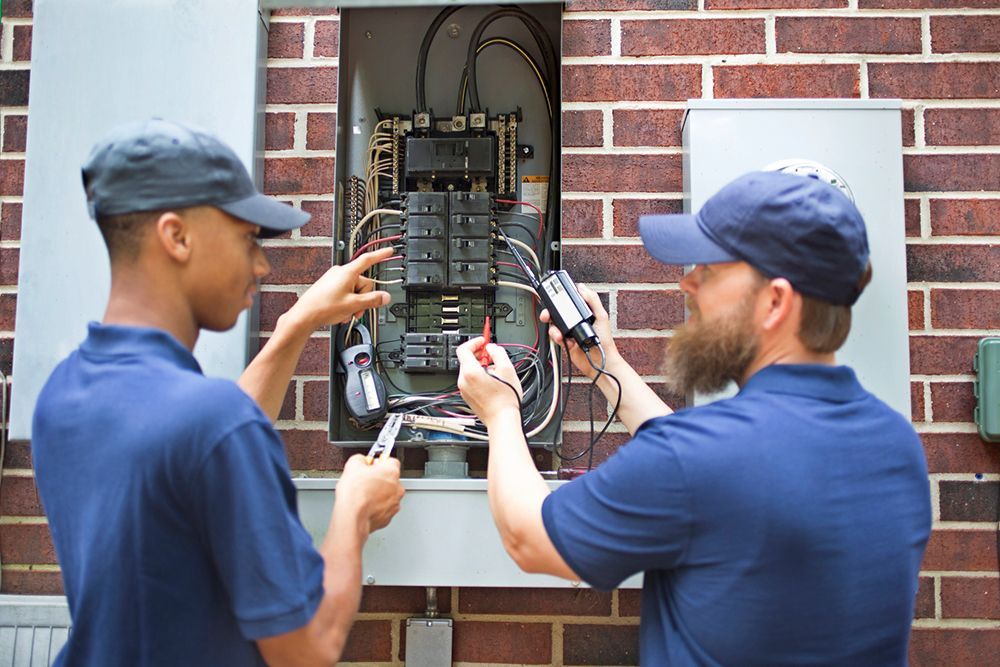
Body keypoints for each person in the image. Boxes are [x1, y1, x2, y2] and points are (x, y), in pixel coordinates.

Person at [457, 171, 931, 665]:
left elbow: (528, 537)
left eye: (709, 268)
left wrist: (501, 411)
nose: (688, 282)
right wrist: (607, 366)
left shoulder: (699, 458)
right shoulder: (895, 444)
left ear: (775, 302)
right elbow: (712, 466)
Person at [31, 119, 405, 666]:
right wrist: (354, 513)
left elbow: (190, 449)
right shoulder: (215, 425)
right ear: (176, 236)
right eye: (247, 237)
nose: (261, 263)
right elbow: (308, 648)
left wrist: (297, 322)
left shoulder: (63, 394)